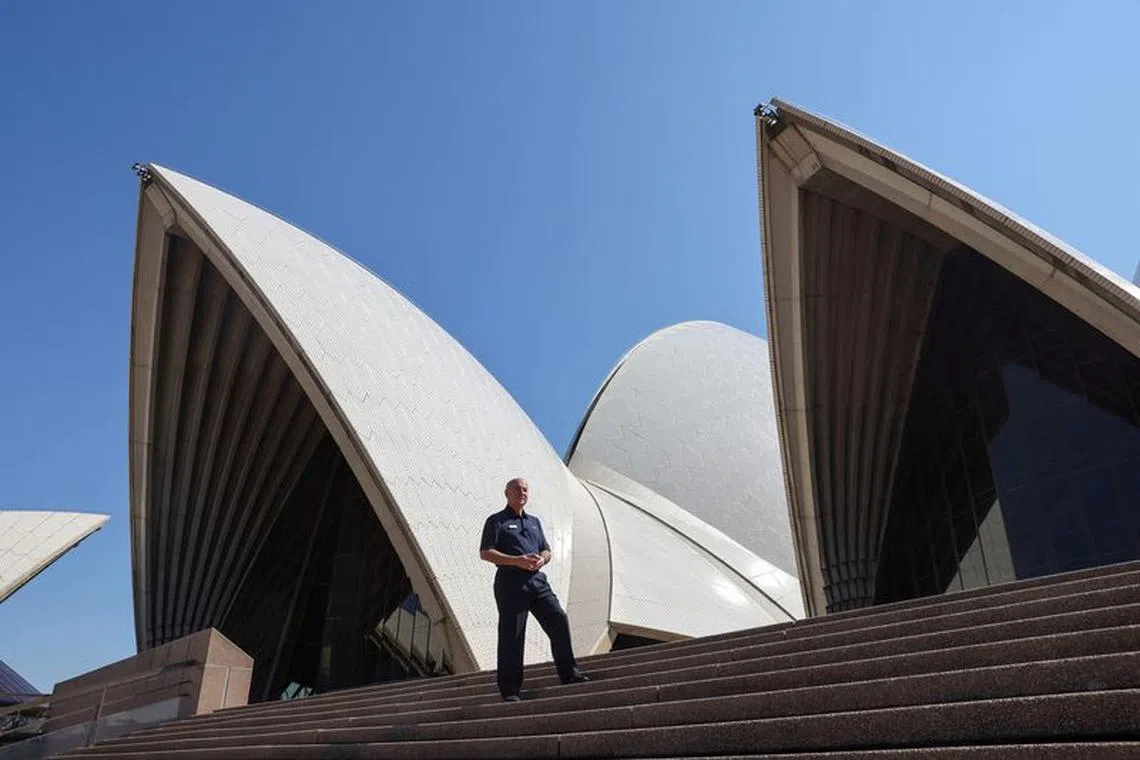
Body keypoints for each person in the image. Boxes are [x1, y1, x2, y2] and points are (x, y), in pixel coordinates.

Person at [479, 477, 589, 701]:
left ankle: (570, 673)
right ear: (507, 493)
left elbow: (546, 549)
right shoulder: (496, 521)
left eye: (525, 489)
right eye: (517, 489)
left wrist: (542, 559)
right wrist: (516, 560)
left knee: (558, 619)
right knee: (513, 635)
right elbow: (486, 552)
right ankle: (510, 691)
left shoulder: (534, 522)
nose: (522, 493)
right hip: (510, 582)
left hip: (537, 581)